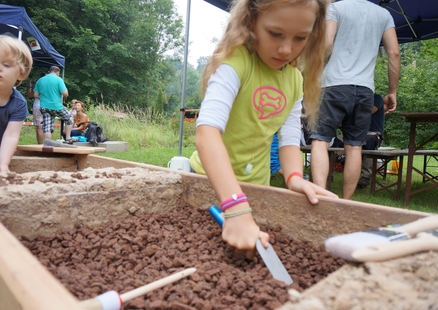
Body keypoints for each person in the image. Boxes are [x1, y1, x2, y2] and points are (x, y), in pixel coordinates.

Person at [189, 0, 337, 258]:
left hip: (256, 188)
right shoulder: (235, 64)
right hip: (209, 184)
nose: (286, 48)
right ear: (251, 22)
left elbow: (289, 139)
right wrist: (235, 206)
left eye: (300, 38)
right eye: (275, 34)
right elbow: (207, 133)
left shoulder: (294, 80)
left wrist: (294, 178)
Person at [310, 0, 400, 199]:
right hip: (364, 89)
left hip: (332, 85)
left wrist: (315, 74)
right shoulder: (384, 15)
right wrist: (392, 90)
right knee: (354, 146)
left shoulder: (335, 8)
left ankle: (320, 198)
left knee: (320, 141)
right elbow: (394, 53)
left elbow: (326, 44)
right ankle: (346, 202)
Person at [0, 35, 33, 172]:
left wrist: (2, 165)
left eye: (6, 64)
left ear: (21, 74)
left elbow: (11, 136)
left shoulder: (18, 103)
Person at [33, 66, 73, 142]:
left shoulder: (40, 80)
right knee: (69, 118)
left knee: (47, 126)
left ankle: (48, 143)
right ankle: (68, 138)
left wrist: (45, 98)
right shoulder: (59, 79)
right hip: (56, 106)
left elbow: (35, 95)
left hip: (44, 107)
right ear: (58, 72)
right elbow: (65, 93)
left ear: (49, 71)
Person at [357, 93, 385, 189]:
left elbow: (369, 111)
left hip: (373, 133)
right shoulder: (353, 99)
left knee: (369, 141)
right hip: (355, 135)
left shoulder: (377, 98)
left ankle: (365, 176)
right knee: (332, 141)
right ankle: (328, 174)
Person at [26, 73, 46, 144]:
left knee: (39, 127)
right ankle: (47, 144)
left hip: (38, 105)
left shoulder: (39, 85)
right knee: (47, 127)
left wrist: (29, 86)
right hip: (48, 106)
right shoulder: (50, 85)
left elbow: (29, 95)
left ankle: (40, 145)